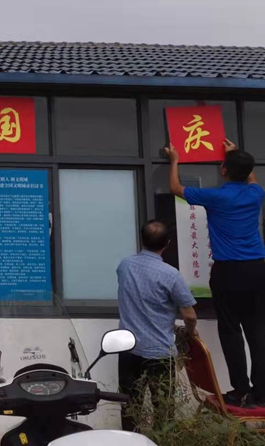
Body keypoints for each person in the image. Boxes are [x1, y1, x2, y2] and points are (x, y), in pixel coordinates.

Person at [165, 139, 265, 407]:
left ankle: (240, 391)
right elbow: (251, 178)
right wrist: (234, 155)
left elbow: (175, 188)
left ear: (223, 170)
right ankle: (261, 392)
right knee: (257, 329)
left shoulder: (217, 196)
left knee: (231, 330)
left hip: (229, 270)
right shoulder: (256, 193)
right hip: (258, 268)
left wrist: (174, 160)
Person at [117, 219, 198, 432]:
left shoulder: (125, 266)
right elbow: (189, 315)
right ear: (167, 243)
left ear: (141, 240)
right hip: (159, 353)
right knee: (163, 410)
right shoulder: (171, 275)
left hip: (128, 349)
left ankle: (129, 442)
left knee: (129, 406)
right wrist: (189, 334)